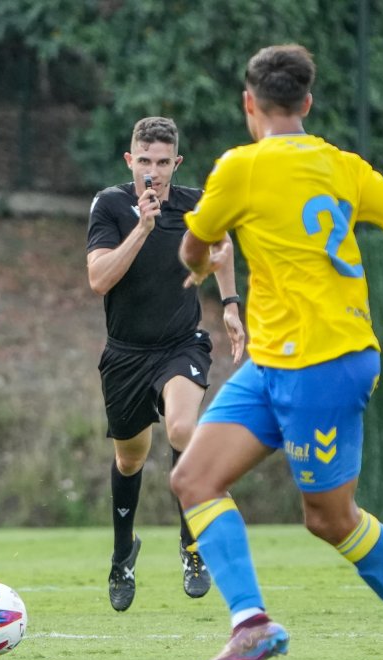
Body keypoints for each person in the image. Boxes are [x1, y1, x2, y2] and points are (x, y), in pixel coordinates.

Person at [172, 44, 383, 660]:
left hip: (325, 364)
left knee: (329, 519)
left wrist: (199, 262)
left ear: (249, 105)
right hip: (272, 364)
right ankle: (251, 624)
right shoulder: (345, 166)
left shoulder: (239, 168)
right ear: (307, 102)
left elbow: (194, 246)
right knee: (194, 479)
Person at [87, 116, 246, 611]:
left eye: (162, 163)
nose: (152, 173)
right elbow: (99, 280)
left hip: (181, 344)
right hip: (125, 354)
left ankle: (192, 544)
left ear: (176, 163)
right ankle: (122, 555)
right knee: (130, 459)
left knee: (182, 428)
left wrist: (231, 304)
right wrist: (142, 228)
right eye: (144, 162)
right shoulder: (110, 205)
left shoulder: (197, 204)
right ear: (129, 160)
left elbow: (222, 246)